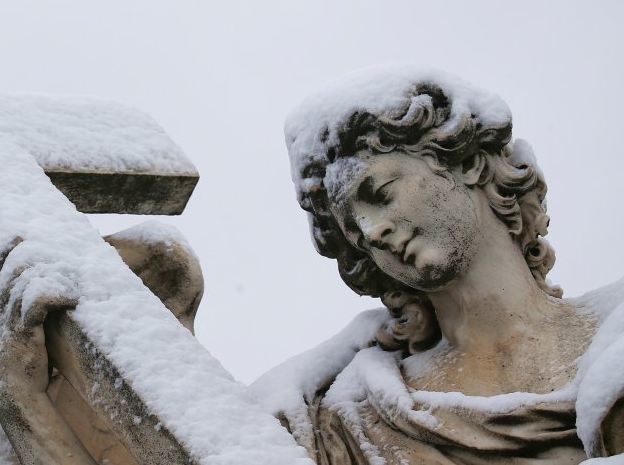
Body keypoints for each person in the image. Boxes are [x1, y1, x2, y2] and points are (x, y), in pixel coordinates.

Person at [249, 66, 623, 463]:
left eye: (380, 193)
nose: (373, 233)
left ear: (468, 163)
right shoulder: (351, 421)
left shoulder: (614, 335)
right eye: (356, 235)